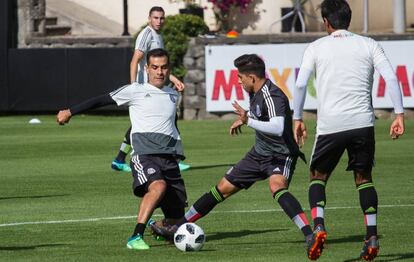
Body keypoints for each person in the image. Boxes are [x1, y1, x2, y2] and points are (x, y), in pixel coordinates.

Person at [151, 54, 319, 257]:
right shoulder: (255, 92)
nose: (238, 81)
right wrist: (246, 118)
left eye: (240, 77)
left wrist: (248, 121)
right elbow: (260, 114)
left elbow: (277, 127)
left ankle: (310, 235)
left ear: (252, 77)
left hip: (281, 155)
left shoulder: (272, 95)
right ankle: (179, 226)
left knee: (277, 187)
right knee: (221, 189)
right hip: (258, 153)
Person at [293, 0, 405, 260]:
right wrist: (399, 114)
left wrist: (297, 118)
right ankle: (372, 235)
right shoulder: (369, 44)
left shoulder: (316, 47)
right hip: (362, 124)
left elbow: (300, 85)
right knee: (364, 179)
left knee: (317, 177)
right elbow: (391, 77)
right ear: (349, 19)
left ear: (326, 22)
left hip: (331, 124)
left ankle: (319, 226)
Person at [57, 49, 188, 250]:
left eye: (163, 67)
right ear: (147, 69)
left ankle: (158, 227)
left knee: (178, 222)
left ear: (168, 69)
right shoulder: (135, 90)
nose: (159, 72)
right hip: (145, 156)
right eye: (155, 67)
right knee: (158, 186)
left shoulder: (172, 95)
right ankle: (135, 236)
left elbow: (171, 124)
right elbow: (102, 99)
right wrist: (70, 111)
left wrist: (177, 150)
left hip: (170, 159)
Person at [111, 6, 191, 173]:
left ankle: (119, 159)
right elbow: (135, 61)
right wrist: (134, 87)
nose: (159, 21)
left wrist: (174, 79)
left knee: (143, 125)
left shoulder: (158, 36)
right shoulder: (146, 34)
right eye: (155, 18)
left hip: (155, 88)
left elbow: (159, 67)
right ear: (149, 19)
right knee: (166, 120)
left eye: (161, 18)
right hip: (145, 89)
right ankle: (173, 156)